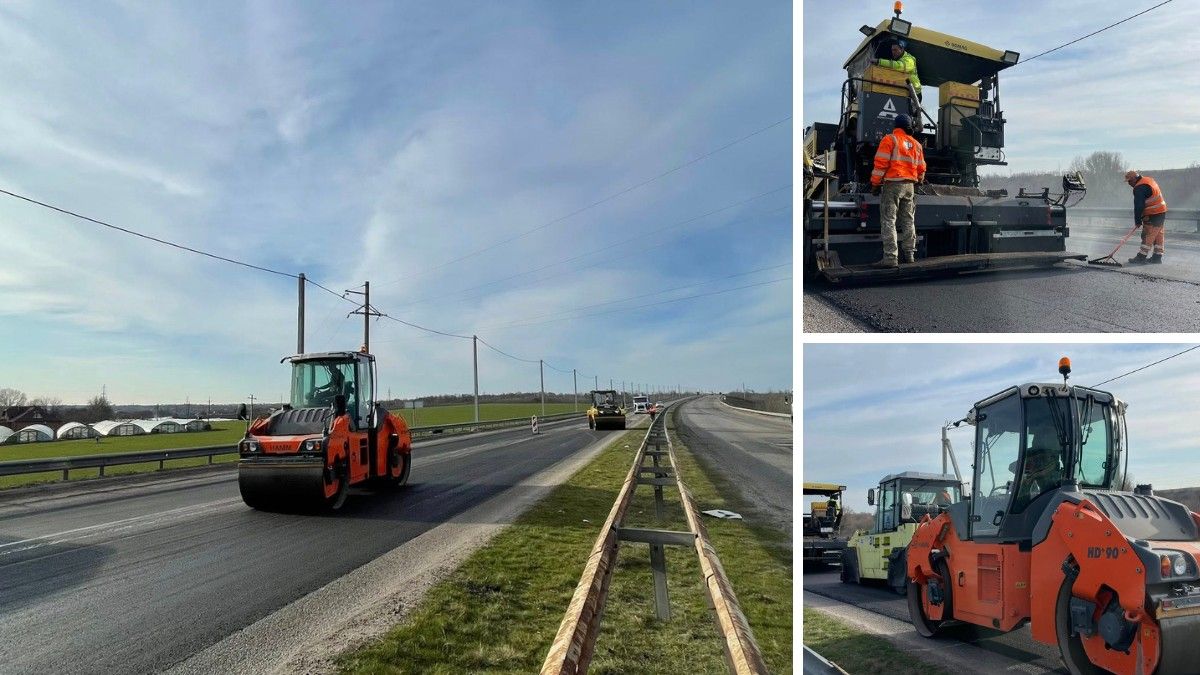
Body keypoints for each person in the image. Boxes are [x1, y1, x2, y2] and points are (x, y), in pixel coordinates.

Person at [870, 113, 926, 268]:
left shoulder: (890, 139)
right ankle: (910, 255)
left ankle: (890, 257)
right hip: (910, 186)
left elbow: (881, 164)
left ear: (896, 126)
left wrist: (875, 184)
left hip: (893, 185)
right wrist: (919, 181)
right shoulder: (916, 144)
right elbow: (922, 168)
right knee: (908, 220)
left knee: (889, 220)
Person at [1124, 170, 1168, 264]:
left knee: (1148, 235)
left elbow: (1139, 205)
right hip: (1161, 211)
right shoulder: (1148, 180)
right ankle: (1157, 257)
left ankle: (1141, 256)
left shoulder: (1139, 188)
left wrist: (1137, 220)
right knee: (1158, 234)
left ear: (1135, 179)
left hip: (1153, 213)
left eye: (1129, 181)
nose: (1128, 183)